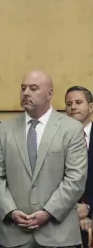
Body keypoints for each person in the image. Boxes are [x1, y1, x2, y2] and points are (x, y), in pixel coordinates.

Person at [0, 70, 88, 248]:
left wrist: (48, 212)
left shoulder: (71, 129)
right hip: (15, 234)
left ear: (49, 94)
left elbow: (76, 179)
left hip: (59, 235)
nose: (26, 93)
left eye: (33, 88)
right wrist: (11, 211)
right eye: (23, 88)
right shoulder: (4, 130)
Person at [65, 86, 93, 248]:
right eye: (69, 104)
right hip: (66, 220)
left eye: (78, 102)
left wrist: (88, 208)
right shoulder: (57, 140)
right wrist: (74, 211)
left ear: (90, 107)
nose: (73, 107)